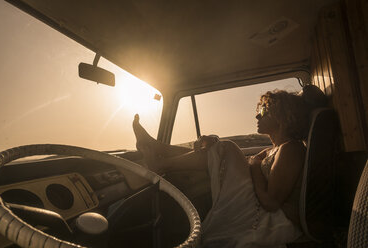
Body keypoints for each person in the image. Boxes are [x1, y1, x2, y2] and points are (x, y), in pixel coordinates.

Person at [132, 89, 314, 247]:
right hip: (265, 210)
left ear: (282, 115)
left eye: (263, 110)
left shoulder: (291, 149)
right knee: (222, 150)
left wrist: (256, 166)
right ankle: (159, 149)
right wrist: (214, 145)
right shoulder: (271, 150)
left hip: (276, 222)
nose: (257, 115)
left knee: (227, 149)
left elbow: (272, 203)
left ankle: (160, 161)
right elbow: (237, 163)